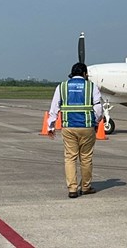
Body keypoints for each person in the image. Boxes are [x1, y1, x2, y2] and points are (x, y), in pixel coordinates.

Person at [48, 62, 103, 198]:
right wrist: (95, 122)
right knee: (86, 158)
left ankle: (72, 189)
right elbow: (98, 109)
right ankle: (85, 187)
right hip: (87, 127)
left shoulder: (62, 87)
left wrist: (51, 126)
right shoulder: (92, 87)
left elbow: (54, 108)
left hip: (69, 127)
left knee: (70, 158)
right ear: (84, 74)